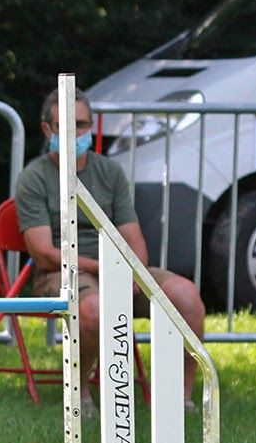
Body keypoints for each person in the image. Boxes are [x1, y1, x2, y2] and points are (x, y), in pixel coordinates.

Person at [15, 87, 205, 415]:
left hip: (117, 268)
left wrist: (135, 273)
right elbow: (44, 253)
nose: (77, 132)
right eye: (66, 126)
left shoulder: (110, 172)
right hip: (63, 272)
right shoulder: (34, 177)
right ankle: (80, 388)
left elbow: (134, 238)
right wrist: (105, 269)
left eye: (83, 124)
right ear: (48, 130)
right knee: (94, 311)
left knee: (185, 295)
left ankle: (181, 397)